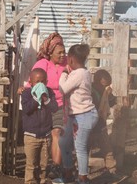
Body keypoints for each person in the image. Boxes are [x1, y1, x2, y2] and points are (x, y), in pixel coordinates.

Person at [19, 32, 67, 179]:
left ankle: (56, 168)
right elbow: (32, 83)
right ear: (50, 52)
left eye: (64, 52)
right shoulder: (42, 64)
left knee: (57, 132)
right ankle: (37, 173)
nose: (62, 55)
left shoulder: (66, 65)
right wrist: (23, 89)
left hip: (58, 104)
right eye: (59, 52)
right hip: (44, 105)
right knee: (47, 136)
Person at [56, 44, 98, 184]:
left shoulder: (79, 73)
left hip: (84, 115)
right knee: (63, 142)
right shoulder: (82, 72)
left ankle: (82, 179)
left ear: (71, 59)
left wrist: (63, 73)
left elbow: (63, 88)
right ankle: (68, 173)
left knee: (80, 147)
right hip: (76, 115)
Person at [21, 68, 58, 184]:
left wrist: (45, 99)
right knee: (31, 164)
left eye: (43, 82)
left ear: (46, 82)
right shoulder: (26, 94)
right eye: (37, 82)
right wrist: (36, 98)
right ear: (31, 83)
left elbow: (54, 108)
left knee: (44, 164)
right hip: (31, 136)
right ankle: (30, 181)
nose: (40, 85)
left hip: (46, 135)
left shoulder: (49, 93)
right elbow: (27, 109)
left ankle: (42, 180)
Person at [90, 69, 118, 174]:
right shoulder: (91, 91)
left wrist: (110, 96)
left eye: (107, 86)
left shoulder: (105, 92)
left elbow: (111, 102)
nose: (105, 88)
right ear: (97, 82)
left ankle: (111, 168)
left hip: (101, 125)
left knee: (107, 148)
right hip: (90, 125)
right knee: (86, 148)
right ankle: (83, 169)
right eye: (103, 85)